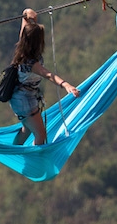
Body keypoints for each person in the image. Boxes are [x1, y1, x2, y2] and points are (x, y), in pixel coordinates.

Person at [9, 9, 80, 145]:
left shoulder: (22, 48)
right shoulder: (31, 63)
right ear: (37, 42)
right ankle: (34, 157)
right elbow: (48, 75)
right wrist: (66, 85)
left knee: (27, 129)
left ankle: (14, 150)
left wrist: (28, 14)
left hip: (19, 97)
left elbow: (25, 20)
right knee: (40, 134)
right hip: (24, 100)